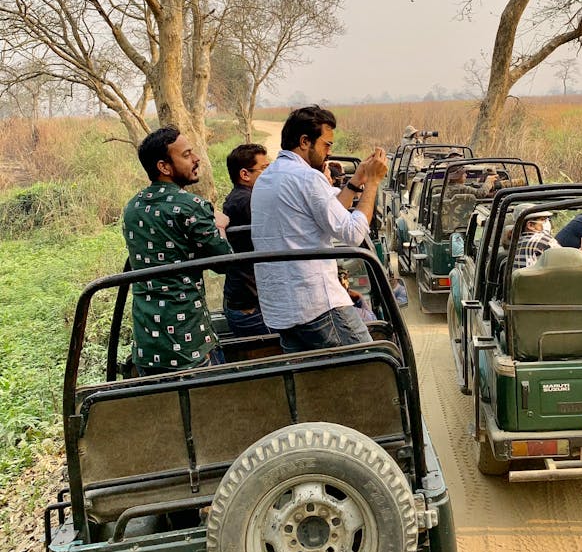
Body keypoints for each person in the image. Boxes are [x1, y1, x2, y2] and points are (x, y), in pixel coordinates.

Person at [251, 105, 388, 353]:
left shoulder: (268, 178)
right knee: (375, 365)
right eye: (326, 144)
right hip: (317, 306)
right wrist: (374, 183)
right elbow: (353, 234)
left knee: (315, 382)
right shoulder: (306, 177)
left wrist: (357, 181)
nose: (329, 152)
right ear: (305, 142)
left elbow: (329, 211)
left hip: (283, 310)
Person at [122, 126, 231, 376]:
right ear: (164, 167)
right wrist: (220, 225)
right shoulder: (191, 206)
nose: (196, 159)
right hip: (189, 342)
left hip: (147, 344)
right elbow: (223, 262)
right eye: (187, 155)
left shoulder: (133, 207)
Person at [222, 143, 269, 336]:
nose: (270, 173)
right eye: (265, 168)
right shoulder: (245, 202)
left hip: (247, 299)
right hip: (250, 307)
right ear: (245, 174)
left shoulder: (243, 198)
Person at [512, 212, 582, 268]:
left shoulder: (516, 242)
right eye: (543, 220)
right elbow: (573, 266)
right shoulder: (543, 240)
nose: (547, 223)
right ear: (530, 225)